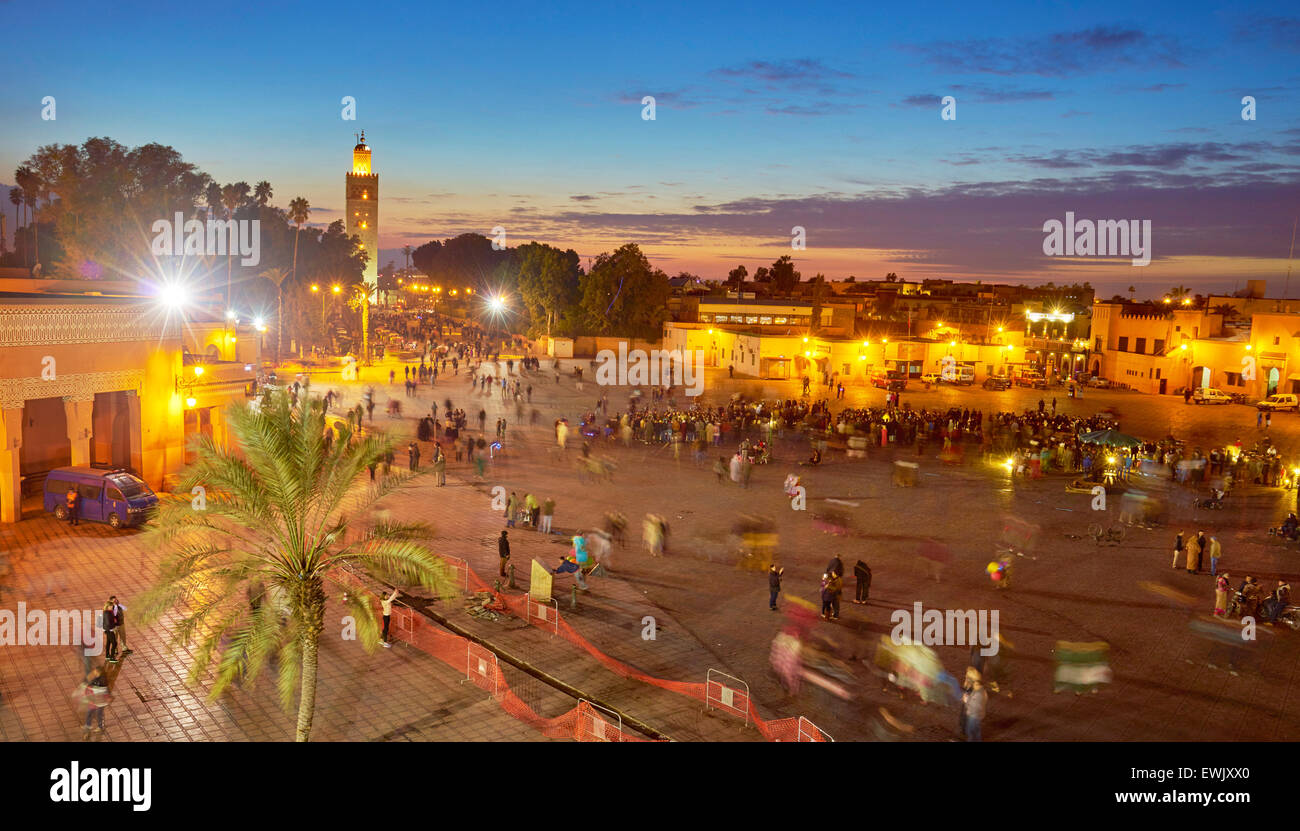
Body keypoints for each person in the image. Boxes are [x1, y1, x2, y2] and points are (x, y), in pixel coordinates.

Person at [80, 667, 112, 737]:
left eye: (95, 671)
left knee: (99, 714)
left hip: (100, 701)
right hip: (94, 700)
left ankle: (100, 727)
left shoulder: (102, 681)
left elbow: (104, 691)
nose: (94, 672)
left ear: (99, 672)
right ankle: (88, 725)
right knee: (89, 712)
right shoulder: (97, 679)